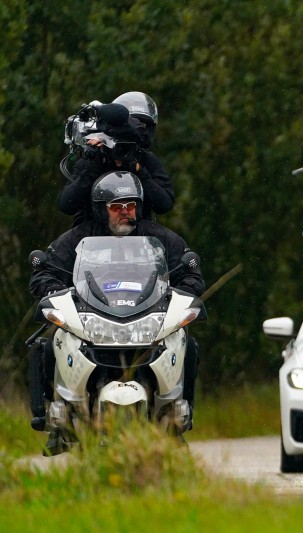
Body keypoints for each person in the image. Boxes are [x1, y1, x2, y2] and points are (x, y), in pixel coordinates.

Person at [30, 171, 203, 453]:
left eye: (131, 206)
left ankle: (175, 422)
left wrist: (184, 293)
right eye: (116, 207)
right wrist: (54, 291)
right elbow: (44, 272)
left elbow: (191, 273)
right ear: (101, 208)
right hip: (91, 320)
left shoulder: (160, 237)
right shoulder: (78, 236)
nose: (125, 213)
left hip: (148, 320)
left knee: (188, 344)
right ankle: (57, 422)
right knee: (50, 346)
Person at [57, 91, 174, 226]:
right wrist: (94, 167)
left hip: (138, 238)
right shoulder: (94, 158)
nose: (139, 132)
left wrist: (138, 170)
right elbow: (66, 205)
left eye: (144, 127)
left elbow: (164, 205)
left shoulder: (146, 160)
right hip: (93, 241)